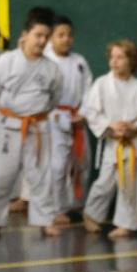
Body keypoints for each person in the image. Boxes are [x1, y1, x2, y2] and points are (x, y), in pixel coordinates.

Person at [0, 9, 62, 237]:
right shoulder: (6, 61)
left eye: (46, 36)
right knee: (2, 177)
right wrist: (8, 114)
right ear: (25, 35)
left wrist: (37, 115)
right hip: (9, 126)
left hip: (37, 127)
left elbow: (54, 98)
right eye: (38, 35)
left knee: (40, 176)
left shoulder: (51, 68)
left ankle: (46, 221)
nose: (42, 41)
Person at [83, 39, 137, 240]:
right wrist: (110, 126)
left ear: (131, 60)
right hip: (112, 143)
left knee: (130, 186)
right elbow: (92, 112)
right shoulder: (102, 84)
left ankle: (126, 224)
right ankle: (91, 213)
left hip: (135, 144)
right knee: (104, 183)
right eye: (112, 57)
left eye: (120, 57)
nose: (114, 62)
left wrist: (135, 127)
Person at [44, 15, 93, 222]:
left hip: (77, 117)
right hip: (53, 118)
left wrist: (83, 112)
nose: (66, 39)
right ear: (50, 38)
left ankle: (79, 204)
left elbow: (89, 91)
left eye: (69, 35)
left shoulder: (79, 61)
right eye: (60, 35)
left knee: (81, 163)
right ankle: (58, 209)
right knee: (57, 165)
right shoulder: (44, 61)